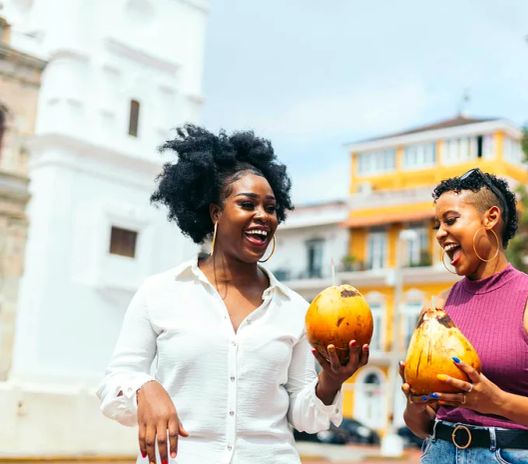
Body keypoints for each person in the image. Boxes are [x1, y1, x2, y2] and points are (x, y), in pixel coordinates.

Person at [97, 125, 369, 464]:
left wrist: (331, 379)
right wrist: (143, 388)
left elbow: (305, 417)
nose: (262, 216)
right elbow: (113, 385)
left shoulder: (296, 310)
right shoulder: (160, 292)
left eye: (270, 208)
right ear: (215, 213)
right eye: (247, 204)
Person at [400, 168, 528, 463]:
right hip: (438, 452)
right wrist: (415, 405)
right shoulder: (436, 309)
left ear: (491, 218)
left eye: (451, 220)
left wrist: (498, 402)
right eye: (437, 225)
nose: (440, 233)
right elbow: (423, 425)